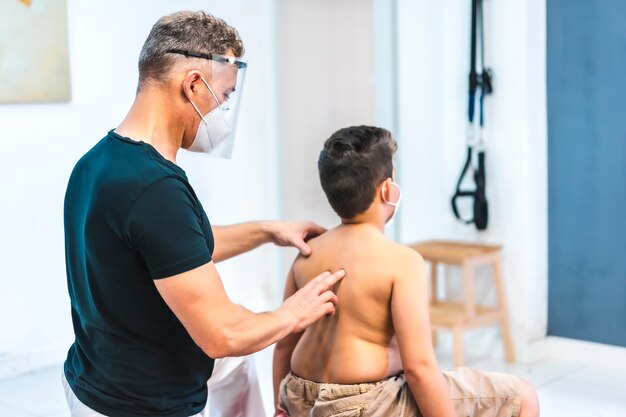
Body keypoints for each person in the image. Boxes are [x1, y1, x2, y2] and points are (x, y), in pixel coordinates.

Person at [62, 11, 345, 417]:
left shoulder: (99, 162)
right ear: (194, 85)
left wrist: (267, 231)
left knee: (235, 368)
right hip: (140, 405)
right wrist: (292, 313)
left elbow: (174, 249)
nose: (224, 112)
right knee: (236, 344)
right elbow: (223, 334)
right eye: (224, 96)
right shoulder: (155, 190)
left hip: (94, 376)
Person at [273, 126, 540, 417]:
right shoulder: (402, 262)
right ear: (389, 190)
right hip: (366, 404)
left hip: (298, 396)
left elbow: (284, 345)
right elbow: (419, 369)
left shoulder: (306, 254)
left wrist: (279, 407)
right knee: (522, 396)